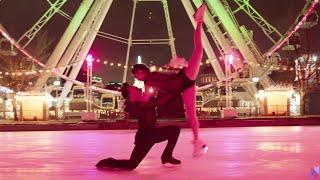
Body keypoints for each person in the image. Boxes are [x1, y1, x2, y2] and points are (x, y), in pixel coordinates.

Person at [131, 4, 207, 158]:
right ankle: (197, 141)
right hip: (183, 85)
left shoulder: (150, 79)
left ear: (140, 72)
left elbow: (150, 95)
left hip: (184, 79)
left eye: (136, 75)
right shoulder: (150, 80)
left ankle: (198, 21)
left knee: (199, 49)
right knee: (192, 114)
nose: (137, 78)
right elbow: (152, 94)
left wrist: (138, 101)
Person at [96, 83, 181, 170]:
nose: (136, 87)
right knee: (131, 165)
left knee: (175, 130)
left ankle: (167, 155)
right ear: (131, 96)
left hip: (152, 134)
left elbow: (158, 96)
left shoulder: (146, 99)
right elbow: (161, 101)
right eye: (133, 88)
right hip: (145, 137)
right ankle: (109, 162)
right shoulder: (141, 103)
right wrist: (176, 91)